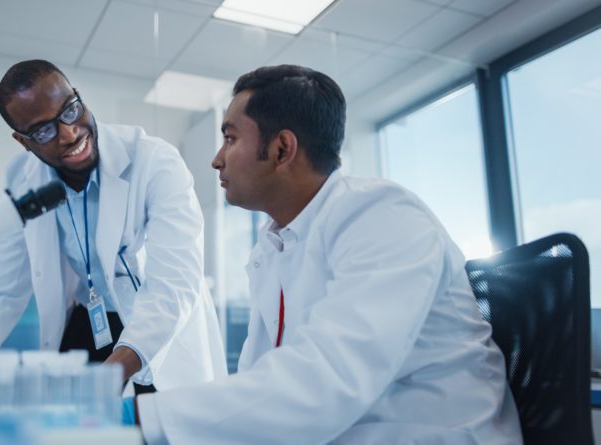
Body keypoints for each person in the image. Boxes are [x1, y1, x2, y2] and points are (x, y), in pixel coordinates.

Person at [128, 65, 522, 444]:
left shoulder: (383, 215)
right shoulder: (277, 246)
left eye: (230, 139)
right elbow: (267, 388)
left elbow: (326, 383)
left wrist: (142, 417)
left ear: (282, 149)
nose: (217, 159)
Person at [0, 59, 226, 394]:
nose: (68, 133)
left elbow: (174, 279)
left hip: (157, 327)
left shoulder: (154, 161)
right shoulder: (21, 178)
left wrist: (107, 378)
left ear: (78, 97)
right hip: (87, 319)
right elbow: (2, 286)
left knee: (150, 423)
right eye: (43, 131)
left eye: (70, 110)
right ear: (23, 141)